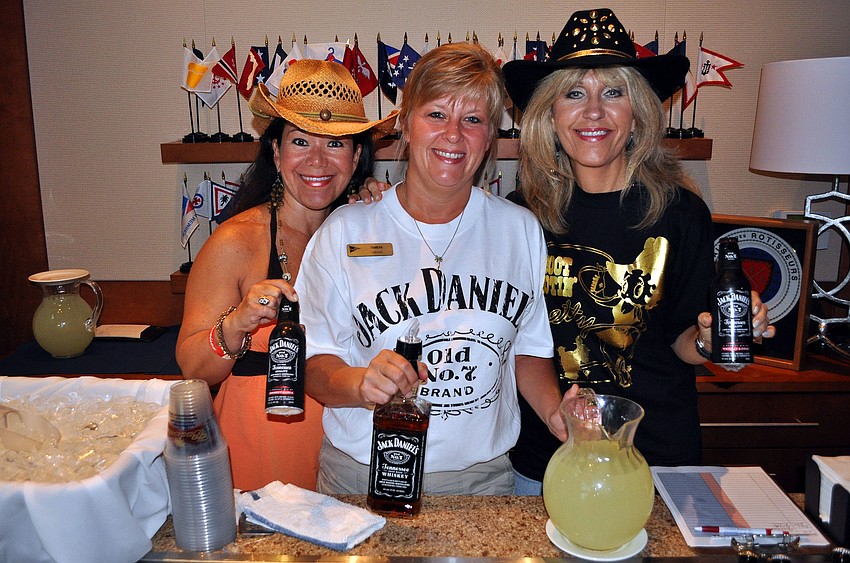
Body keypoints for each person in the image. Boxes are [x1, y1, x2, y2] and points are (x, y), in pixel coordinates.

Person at [501, 8, 775, 494]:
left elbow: (685, 340)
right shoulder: (519, 216)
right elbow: (522, 345)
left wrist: (716, 342)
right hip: (548, 461)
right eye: (573, 93)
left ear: (638, 111)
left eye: (613, 92)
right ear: (550, 112)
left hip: (658, 463)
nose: (592, 112)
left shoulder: (681, 213)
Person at [294, 42, 570, 496]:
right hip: (363, 474)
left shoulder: (519, 228)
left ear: (491, 138)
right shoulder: (345, 230)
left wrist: (557, 414)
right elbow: (313, 362)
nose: (454, 135)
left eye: (473, 120)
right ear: (405, 123)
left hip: (481, 481)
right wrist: (362, 384)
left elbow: (529, 349)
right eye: (437, 114)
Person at [175, 59, 396, 492]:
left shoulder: (369, 229)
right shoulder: (236, 241)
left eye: (335, 144)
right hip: (264, 441)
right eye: (300, 142)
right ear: (276, 153)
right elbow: (191, 367)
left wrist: (387, 215)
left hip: (352, 440)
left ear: (356, 158)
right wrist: (237, 322)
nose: (317, 160)